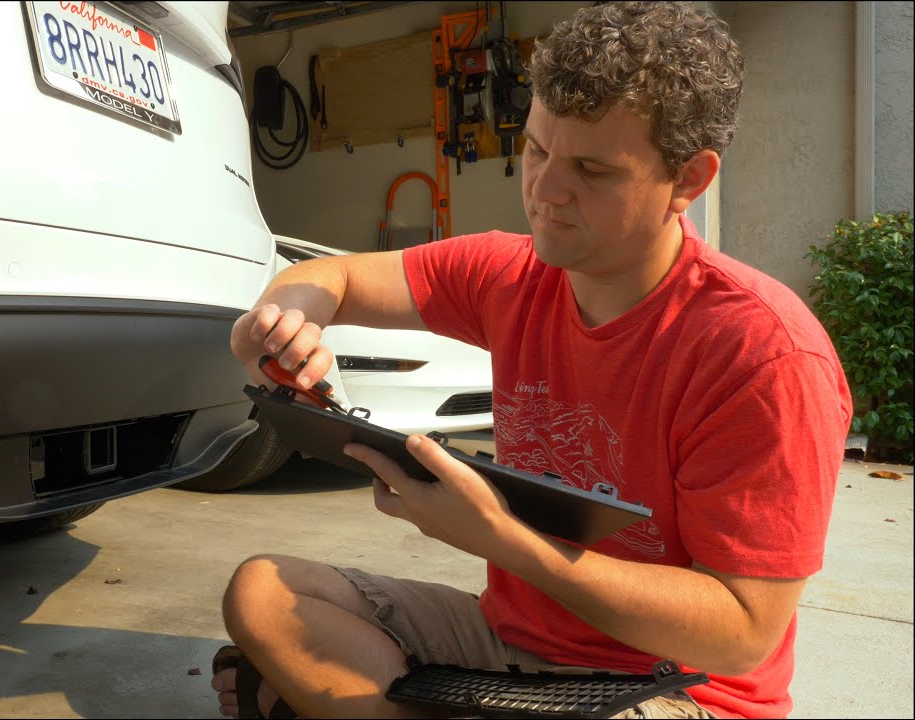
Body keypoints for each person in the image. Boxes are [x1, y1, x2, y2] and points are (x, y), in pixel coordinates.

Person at [210, 2, 853, 719]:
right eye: (540, 149)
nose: (545, 191)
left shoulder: (760, 354)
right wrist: (282, 319)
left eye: (592, 170)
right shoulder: (509, 275)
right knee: (264, 592)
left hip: (674, 689)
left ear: (688, 180)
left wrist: (504, 542)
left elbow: (741, 636)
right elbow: (337, 278)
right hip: (508, 643)